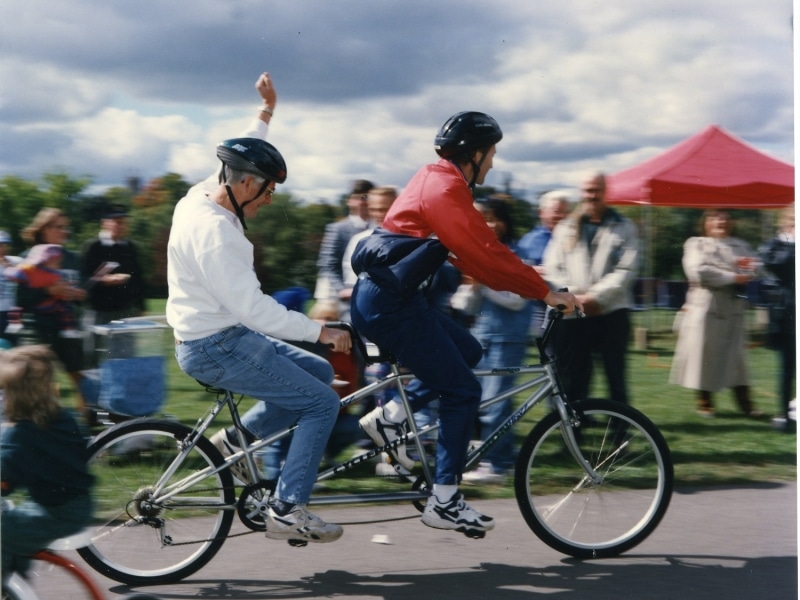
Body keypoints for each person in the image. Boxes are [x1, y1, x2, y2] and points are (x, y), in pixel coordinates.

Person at [350, 111, 580, 535]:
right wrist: (545, 291)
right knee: (464, 390)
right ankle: (445, 498)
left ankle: (392, 417)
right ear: (474, 154)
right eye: (490, 154)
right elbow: (486, 253)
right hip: (391, 305)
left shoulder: (434, 179)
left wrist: (532, 285)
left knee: (470, 351)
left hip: (395, 300)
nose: (492, 163)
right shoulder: (445, 189)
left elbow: (477, 257)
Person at [166, 71, 350, 544]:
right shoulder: (219, 235)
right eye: (268, 190)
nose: (270, 199)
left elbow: (243, 150)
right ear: (246, 186)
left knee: (320, 374)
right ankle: (288, 508)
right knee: (321, 403)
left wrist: (266, 111)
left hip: (225, 337)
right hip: (218, 346)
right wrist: (321, 330)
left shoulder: (200, 196)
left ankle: (237, 439)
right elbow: (256, 310)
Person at [542, 172, 639, 408]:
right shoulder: (565, 228)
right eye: (587, 190)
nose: (591, 195)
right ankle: (572, 442)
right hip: (573, 315)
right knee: (573, 383)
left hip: (611, 314)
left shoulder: (625, 227)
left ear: (606, 191)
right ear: (580, 193)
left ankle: (620, 440)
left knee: (616, 383)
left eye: (596, 190)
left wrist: (596, 298)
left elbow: (627, 269)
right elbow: (552, 268)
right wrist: (576, 298)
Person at [454, 197, 533, 484]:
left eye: (493, 217)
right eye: (481, 218)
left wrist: (482, 280)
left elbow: (516, 300)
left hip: (506, 338)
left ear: (505, 220)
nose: (488, 224)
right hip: (483, 336)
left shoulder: (516, 253)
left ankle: (496, 464)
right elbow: (467, 306)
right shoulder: (478, 254)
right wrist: (472, 287)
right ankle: (500, 458)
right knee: (490, 403)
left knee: (494, 403)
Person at [1, 344, 95, 576]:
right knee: (11, 529)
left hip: (55, 514)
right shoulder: (64, 418)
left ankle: (8, 583)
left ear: (14, 396)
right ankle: (15, 581)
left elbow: (6, 478)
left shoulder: (21, 436)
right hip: (76, 505)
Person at [669, 209, 762, 417]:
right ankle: (705, 401)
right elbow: (698, 270)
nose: (721, 221)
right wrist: (732, 277)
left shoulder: (742, 245)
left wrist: (750, 270)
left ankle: (745, 403)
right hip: (707, 305)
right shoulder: (696, 244)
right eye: (715, 217)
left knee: (737, 358)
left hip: (734, 306)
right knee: (705, 355)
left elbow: (757, 267)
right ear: (706, 222)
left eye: (726, 217)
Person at [16, 208, 88, 415]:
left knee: (79, 374)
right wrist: (47, 291)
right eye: (59, 227)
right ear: (44, 229)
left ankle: (87, 419)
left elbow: (81, 289)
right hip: (37, 327)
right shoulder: (28, 257)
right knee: (41, 377)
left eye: (66, 227)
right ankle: (47, 420)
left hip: (67, 326)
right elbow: (21, 297)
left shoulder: (72, 258)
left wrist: (79, 294)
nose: (64, 232)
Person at [81, 205, 146, 352]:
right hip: (98, 310)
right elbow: (83, 278)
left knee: (125, 352)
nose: (120, 226)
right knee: (95, 351)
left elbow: (138, 278)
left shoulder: (129, 247)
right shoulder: (93, 246)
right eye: (116, 221)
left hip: (125, 309)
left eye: (123, 222)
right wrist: (104, 280)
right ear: (104, 223)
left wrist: (141, 306)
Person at [314, 179, 374, 318]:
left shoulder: (377, 228)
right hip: (338, 295)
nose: (363, 202)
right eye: (359, 197)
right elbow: (327, 265)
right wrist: (343, 290)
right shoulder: (338, 229)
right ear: (349, 201)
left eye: (367, 197)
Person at [759, 205, 796, 433]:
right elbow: (775, 264)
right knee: (787, 367)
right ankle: (784, 413)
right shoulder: (775, 244)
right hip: (787, 314)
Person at [517, 190, 571, 337]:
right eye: (556, 211)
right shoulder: (529, 241)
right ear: (542, 212)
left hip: (571, 302)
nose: (561, 216)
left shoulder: (575, 237)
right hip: (539, 306)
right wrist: (533, 271)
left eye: (565, 212)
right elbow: (518, 271)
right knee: (549, 347)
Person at [5, 244, 81, 337]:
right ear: (44, 261)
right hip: (33, 322)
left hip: (51, 314)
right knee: (16, 309)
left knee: (65, 309)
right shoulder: (29, 272)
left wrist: (70, 294)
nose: (59, 265)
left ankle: (68, 329)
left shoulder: (56, 276)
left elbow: (62, 293)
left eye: (59, 263)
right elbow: (21, 298)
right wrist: (48, 291)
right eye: (56, 262)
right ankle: (15, 324)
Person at [0, 230, 21, 348]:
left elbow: (25, 277)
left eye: (5, 245)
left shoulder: (16, 261)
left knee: (13, 343)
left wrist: (9, 268)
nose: (2, 248)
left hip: (13, 312)